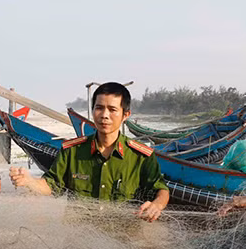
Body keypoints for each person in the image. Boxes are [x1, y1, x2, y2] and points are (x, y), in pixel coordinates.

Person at [9, 82, 169, 222]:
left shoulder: (140, 156)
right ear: (92, 111)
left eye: (112, 109)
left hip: (124, 241)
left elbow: (161, 189)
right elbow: (51, 185)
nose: (105, 115)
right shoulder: (72, 151)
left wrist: (157, 205)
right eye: (99, 108)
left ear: (125, 115)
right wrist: (29, 181)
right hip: (79, 242)